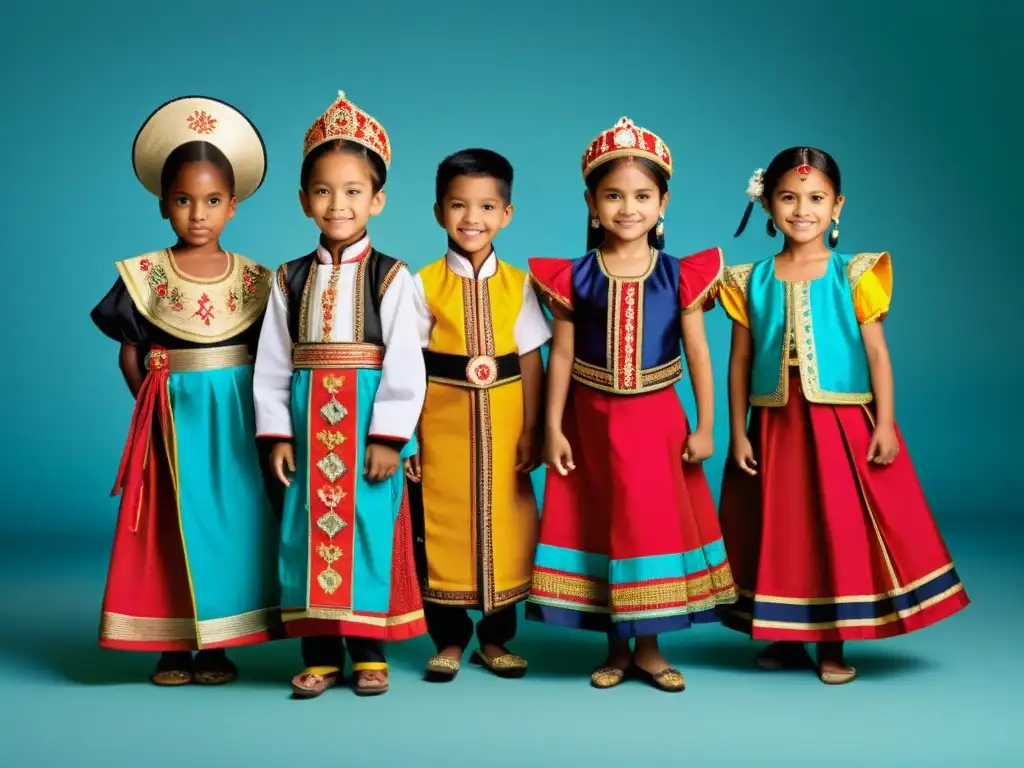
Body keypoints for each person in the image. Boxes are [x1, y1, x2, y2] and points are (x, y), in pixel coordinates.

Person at [717, 147, 970, 684]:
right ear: (767, 204)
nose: (801, 209)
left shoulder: (855, 273)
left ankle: (833, 642)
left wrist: (883, 422)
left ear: (838, 207)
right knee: (779, 524)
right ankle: (785, 635)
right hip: (775, 422)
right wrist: (736, 431)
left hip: (838, 423)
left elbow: (877, 354)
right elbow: (740, 360)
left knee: (834, 524)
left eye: (815, 198)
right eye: (788, 197)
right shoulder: (748, 279)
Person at [526, 117, 737, 692]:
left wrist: (708, 424)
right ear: (592, 204)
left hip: (657, 422)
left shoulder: (679, 276)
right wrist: (552, 428)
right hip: (589, 421)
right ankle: (615, 647)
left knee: (650, 527)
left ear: (662, 203)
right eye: (614, 196)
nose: (628, 208)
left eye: (642, 196)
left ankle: (650, 647)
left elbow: (698, 352)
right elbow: (562, 358)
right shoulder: (574, 278)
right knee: (604, 524)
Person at [91, 96, 279, 686]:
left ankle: (220, 642)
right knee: (170, 529)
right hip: (171, 421)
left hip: (237, 424)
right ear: (162, 203)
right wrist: (153, 408)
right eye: (183, 200)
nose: (198, 214)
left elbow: (272, 357)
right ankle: (172, 643)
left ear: (234, 206)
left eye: (213, 201)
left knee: (233, 524)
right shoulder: (142, 276)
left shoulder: (257, 279)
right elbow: (131, 353)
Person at [253, 90, 427, 698]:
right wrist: (275, 432)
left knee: (367, 532)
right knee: (306, 533)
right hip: (307, 425)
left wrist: (388, 438)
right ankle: (320, 652)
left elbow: (407, 363)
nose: (338, 204)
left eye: (354, 191)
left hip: (365, 427)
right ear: (304, 200)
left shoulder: (392, 276)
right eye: (324, 191)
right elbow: (273, 362)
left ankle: (369, 651)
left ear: (377, 200)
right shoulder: (289, 277)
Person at [406, 148, 550, 682]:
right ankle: (446, 639)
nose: (473, 219)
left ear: (506, 214)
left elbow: (532, 360)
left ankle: (495, 639)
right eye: (459, 206)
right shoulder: (419, 285)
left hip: (508, 425)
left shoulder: (521, 285)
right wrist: (409, 441)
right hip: (441, 431)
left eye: (487, 207)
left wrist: (533, 430)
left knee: (506, 527)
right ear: (439, 211)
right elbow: (408, 369)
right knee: (441, 528)